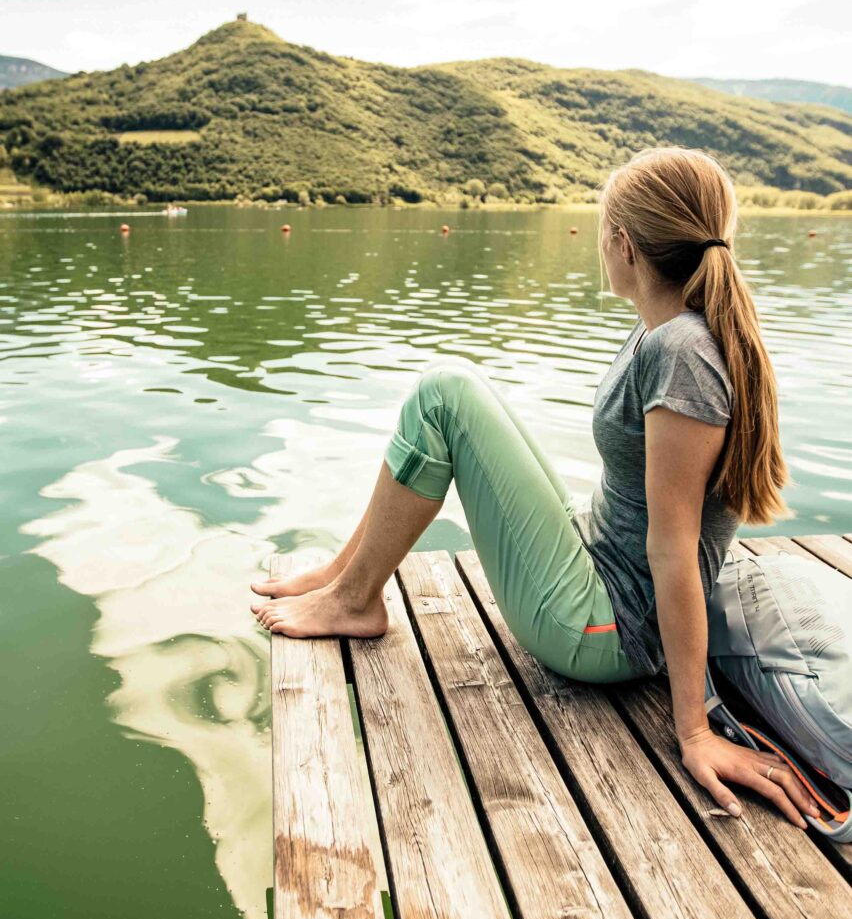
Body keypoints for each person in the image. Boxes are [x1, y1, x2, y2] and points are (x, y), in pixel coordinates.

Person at [250, 145, 820, 830]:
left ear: (623, 243)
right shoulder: (662, 330)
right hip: (599, 564)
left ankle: (353, 599)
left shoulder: (683, 355)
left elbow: (674, 550)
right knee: (466, 389)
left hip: (605, 627)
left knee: (445, 394)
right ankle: (346, 575)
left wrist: (694, 729)